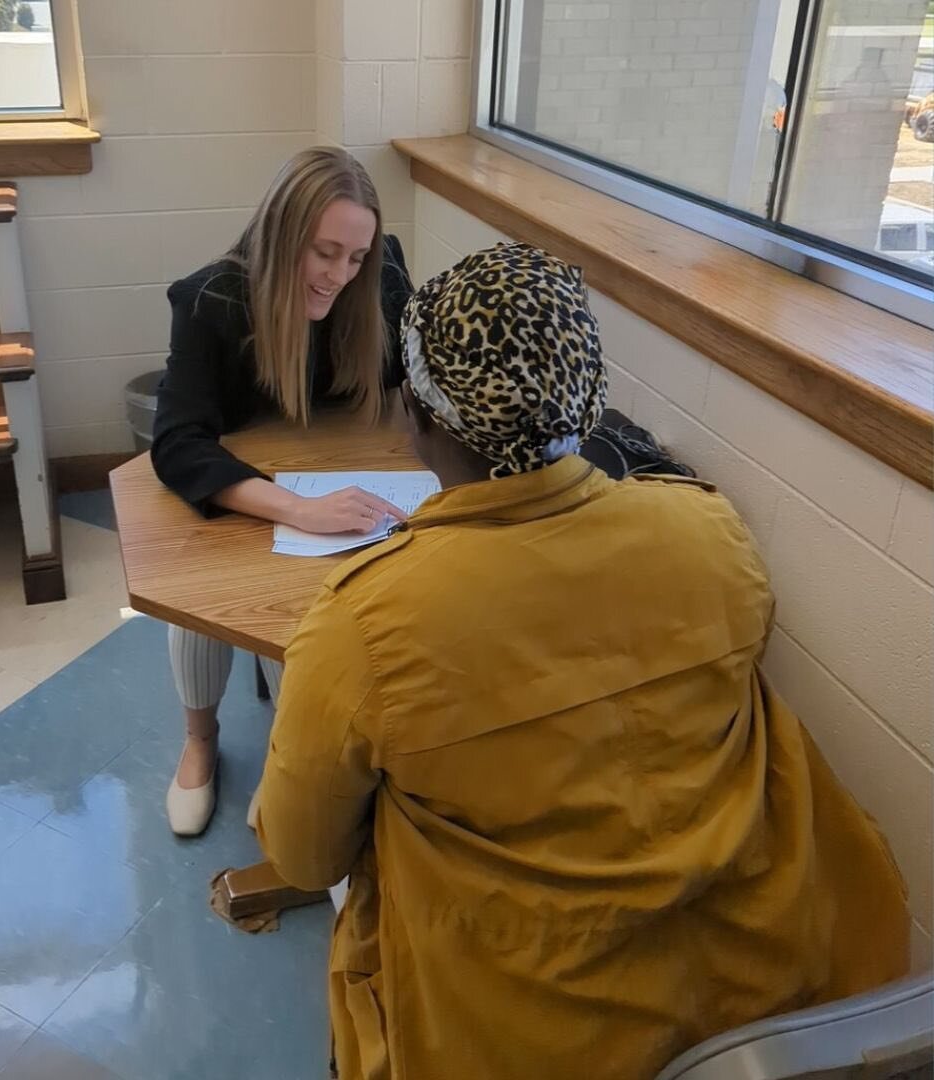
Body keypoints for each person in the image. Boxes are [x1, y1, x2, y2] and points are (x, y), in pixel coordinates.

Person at [255, 242, 910, 1080]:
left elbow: (304, 859)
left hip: (518, 1037)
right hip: (768, 995)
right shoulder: (708, 531)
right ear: (587, 402)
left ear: (417, 413)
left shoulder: (363, 623)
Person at [151, 147, 413, 837]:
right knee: (202, 601)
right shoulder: (211, 301)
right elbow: (177, 444)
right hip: (255, 487)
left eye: (356, 257)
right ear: (280, 234)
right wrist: (297, 507)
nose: (340, 275)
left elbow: (407, 378)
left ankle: (307, 757)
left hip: (348, 471)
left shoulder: (376, 279)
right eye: (324, 253)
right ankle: (202, 738)